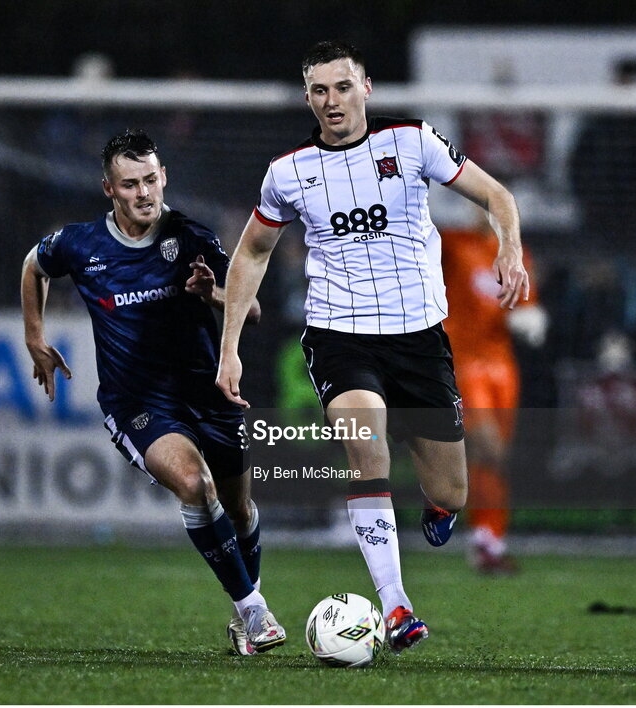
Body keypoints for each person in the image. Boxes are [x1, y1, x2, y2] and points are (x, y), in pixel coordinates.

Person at [215, 41, 529, 653]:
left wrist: (509, 246)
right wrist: (230, 347)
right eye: (319, 90)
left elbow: (499, 197)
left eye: (342, 86)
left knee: (451, 492)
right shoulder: (289, 172)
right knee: (367, 441)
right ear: (308, 98)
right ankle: (397, 606)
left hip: (419, 339)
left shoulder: (412, 143)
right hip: (339, 335)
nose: (331, 100)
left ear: (367, 88)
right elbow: (252, 251)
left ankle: (438, 509)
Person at [20, 130, 285, 655]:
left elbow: (250, 311)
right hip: (138, 402)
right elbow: (34, 265)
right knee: (195, 484)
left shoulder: (193, 238)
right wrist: (35, 337)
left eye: (150, 180)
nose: (144, 193)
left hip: (209, 396)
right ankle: (254, 611)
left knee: (239, 509)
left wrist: (211, 290)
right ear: (108, 189)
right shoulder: (81, 244)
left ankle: (244, 606)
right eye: (130, 184)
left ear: (163, 177)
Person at [440, 208, 548, 574]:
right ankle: (479, 536)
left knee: (497, 459)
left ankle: (489, 541)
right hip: (465, 361)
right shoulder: (454, 244)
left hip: (503, 365)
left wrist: (529, 317)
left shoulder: (519, 255)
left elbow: (524, 303)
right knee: (487, 445)